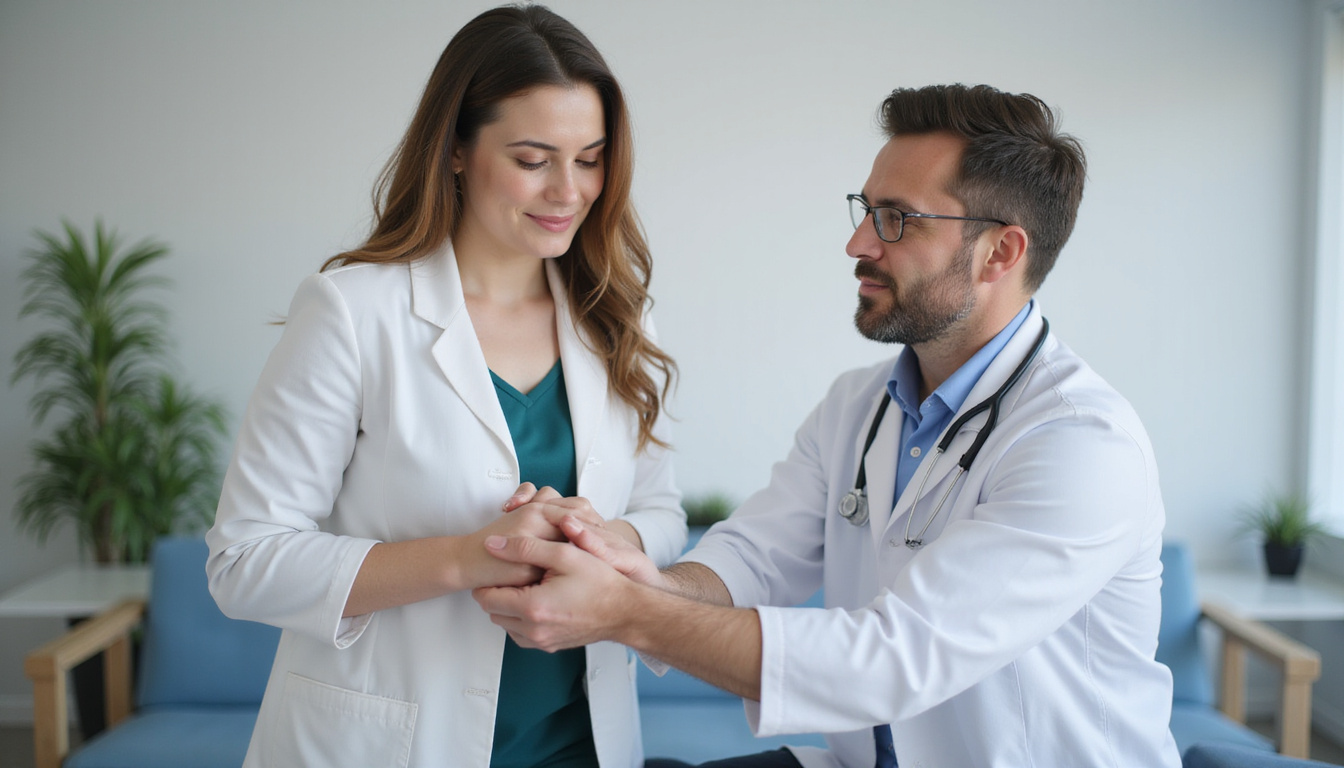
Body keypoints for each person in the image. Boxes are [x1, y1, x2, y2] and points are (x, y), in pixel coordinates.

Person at [474, 84, 1183, 768]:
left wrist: (626, 613)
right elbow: (753, 558)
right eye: (866, 209)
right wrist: (624, 568)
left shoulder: (1081, 444)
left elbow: (892, 660)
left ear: (1001, 252)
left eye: (897, 219)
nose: (857, 244)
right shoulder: (859, 405)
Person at [205, 5, 685, 767]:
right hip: (390, 745)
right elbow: (245, 563)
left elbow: (660, 513)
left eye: (590, 158)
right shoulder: (352, 313)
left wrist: (604, 538)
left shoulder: (618, 317)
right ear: (456, 149)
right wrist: (469, 557)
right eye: (534, 159)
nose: (570, 190)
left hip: (581, 744)